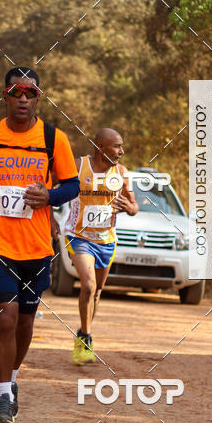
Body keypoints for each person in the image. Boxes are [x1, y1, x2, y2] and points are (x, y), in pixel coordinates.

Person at [0, 67, 79, 423]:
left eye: (31, 93)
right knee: (7, 315)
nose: (24, 99)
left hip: (35, 246)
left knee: (26, 322)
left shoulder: (53, 138)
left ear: (38, 98)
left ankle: (12, 379)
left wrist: (49, 195)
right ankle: (2, 396)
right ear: (6, 95)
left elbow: (72, 185)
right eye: (17, 93)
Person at [64, 129, 139, 365]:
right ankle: (85, 337)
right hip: (78, 236)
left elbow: (134, 205)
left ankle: (84, 330)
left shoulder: (122, 172)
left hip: (106, 240)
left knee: (96, 292)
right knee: (87, 285)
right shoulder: (79, 165)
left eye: (121, 146)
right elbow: (55, 189)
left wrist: (131, 208)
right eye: (116, 146)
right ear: (100, 147)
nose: (121, 151)